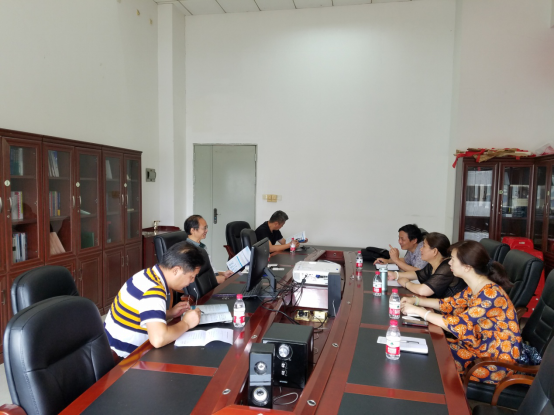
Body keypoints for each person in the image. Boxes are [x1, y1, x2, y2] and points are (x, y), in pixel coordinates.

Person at [401, 240, 522, 385]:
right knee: (427, 346)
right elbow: (449, 304)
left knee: (430, 357)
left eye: (452, 259)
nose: (449, 263)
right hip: (475, 348)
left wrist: (420, 312)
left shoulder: (490, 294)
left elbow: (459, 323)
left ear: (467, 267)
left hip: (492, 362)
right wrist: (416, 301)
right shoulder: (476, 287)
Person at [104, 242, 205, 359]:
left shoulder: (147, 274)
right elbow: (158, 339)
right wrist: (186, 323)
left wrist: (170, 313)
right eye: (191, 277)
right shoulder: (154, 290)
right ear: (176, 270)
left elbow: (141, 313)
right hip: (124, 359)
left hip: (109, 348)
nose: (192, 281)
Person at [389, 233, 467, 298]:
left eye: (424, 246)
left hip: (447, 310)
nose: (421, 249)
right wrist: (395, 275)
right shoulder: (432, 264)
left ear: (435, 251)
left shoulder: (447, 267)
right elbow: (418, 274)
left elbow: (423, 291)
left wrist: (406, 283)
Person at [185, 215, 234, 285]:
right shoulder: (188, 251)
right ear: (193, 230)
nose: (206, 230)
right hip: (206, 287)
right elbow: (194, 279)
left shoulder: (201, 246)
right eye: (204, 228)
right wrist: (215, 279)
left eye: (206, 227)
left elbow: (207, 270)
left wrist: (223, 273)